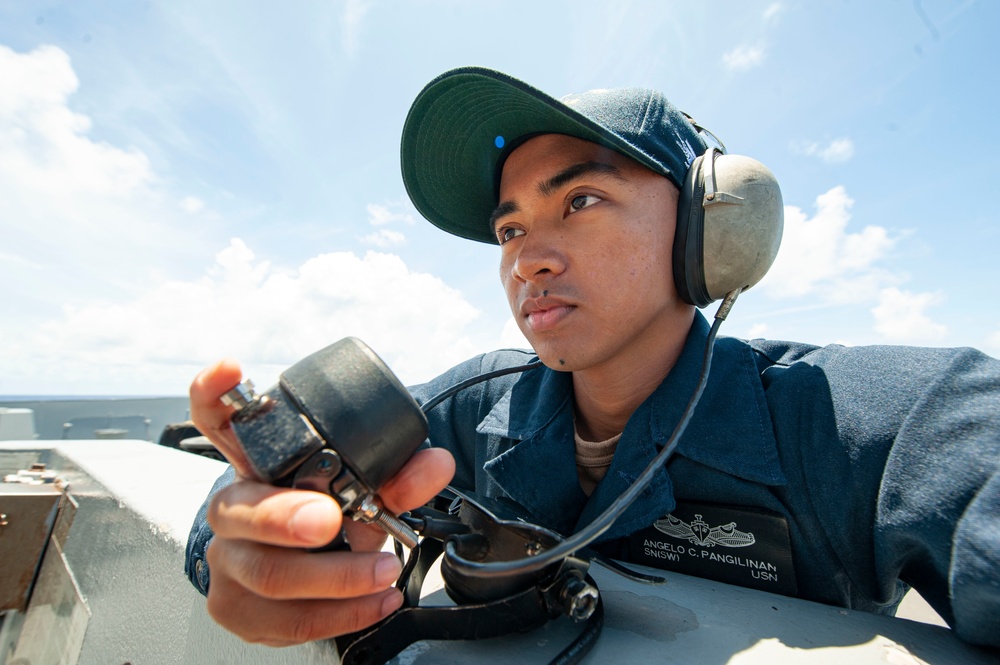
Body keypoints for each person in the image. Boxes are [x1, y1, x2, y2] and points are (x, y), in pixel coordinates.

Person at [185, 67, 1000, 649]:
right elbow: (267, 484)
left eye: (580, 201)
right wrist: (273, 537)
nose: (527, 258)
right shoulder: (477, 405)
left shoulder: (852, 417)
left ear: (708, 231)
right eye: (509, 228)